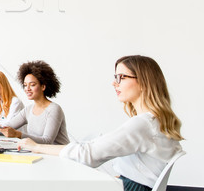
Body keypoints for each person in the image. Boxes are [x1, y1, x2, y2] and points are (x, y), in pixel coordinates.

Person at [18, 55, 183, 191]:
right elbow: (97, 147)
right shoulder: (154, 121)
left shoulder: (143, 124)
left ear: (144, 82)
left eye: (121, 77)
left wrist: (37, 147)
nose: (114, 82)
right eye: (115, 77)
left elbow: (89, 155)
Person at [0, 60, 69, 145]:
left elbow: (47, 141)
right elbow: (9, 125)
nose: (27, 89)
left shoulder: (54, 109)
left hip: (59, 155)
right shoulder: (28, 109)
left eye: (32, 85)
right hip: (40, 153)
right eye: (25, 85)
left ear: (43, 86)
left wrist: (18, 134)